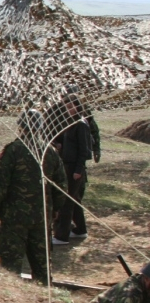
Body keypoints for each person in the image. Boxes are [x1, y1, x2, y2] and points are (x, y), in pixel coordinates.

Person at [0, 109, 67, 285]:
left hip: (15, 218)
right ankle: (45, 299)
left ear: (21, 127)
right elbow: (61, 185)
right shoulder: (50, 152)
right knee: (41, 264)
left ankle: (13, 301)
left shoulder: (13, 150)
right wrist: (56, 208)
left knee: (11, 264)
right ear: (40, 127)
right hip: (42, 217)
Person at [52, 94, 92, 244]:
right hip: (66, 165)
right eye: (66, 107)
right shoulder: (71, 123)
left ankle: (62, 236)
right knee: (74, 200)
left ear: (77, 106)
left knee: (66, 202)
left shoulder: (81, 124)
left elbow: (84, 150)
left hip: (75, 168)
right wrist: (58, 144)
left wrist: (78, 170)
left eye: (71, 107)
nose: (68, 110)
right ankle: (80, 230)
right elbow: (64, 141)